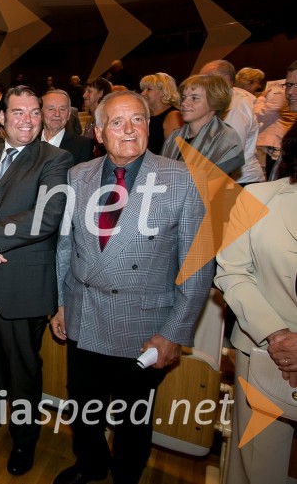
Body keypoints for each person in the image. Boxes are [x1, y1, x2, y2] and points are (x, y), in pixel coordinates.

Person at [50, 91, 213, 484]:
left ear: (150, 126)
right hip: (84, 314)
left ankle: (126, 475)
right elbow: (66, 246)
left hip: (143, 327)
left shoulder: (183, 178)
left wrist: (173, 334)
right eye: (118, 122)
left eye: (138, 120)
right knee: (84, 406)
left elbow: (198, 265)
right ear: (99, 133)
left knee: (132, 418)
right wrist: (61, 305)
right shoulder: (79, 175)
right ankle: (90, 464)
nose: (129, 130)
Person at [0, 86, 72, 476]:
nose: (28, 120)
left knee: (23, 369)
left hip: (21, 282)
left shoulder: (56, 159)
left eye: (34, 112)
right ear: (1, 119)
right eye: (18, 112)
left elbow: (46, 216)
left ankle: (24, 439)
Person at [215, 120, 297, 484]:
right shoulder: (258, 199)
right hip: (267, 356)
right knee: (256, 465)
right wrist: (277, 335)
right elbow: (232, 271)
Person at [161, 74, 244, 176]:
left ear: (214, 102)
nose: (184, 103)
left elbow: (211, 183)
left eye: (194, 98)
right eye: (184, 97)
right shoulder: (174, 137)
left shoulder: (226, 139)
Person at [200, 59, 265, 185]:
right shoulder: (220, 102)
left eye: (206, 78)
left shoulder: (236, 104)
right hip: (230, 179)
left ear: (225, 79)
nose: (201, 83)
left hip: (242, 180)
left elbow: (232, 148)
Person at [40, 89, 94, 165]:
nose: (57, 114)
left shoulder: (83, 145)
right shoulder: (28, 144)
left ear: (68, 115)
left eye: (62, 109)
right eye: (51, 109)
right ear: (40, 113)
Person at [138, 72, 183, 154]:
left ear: (164, 92)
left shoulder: (173, 116)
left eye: (149, 89)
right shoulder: (144, 115)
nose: (142, 93)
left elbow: (171, 153)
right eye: (142, 90)